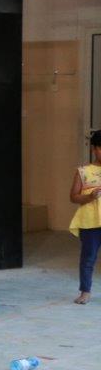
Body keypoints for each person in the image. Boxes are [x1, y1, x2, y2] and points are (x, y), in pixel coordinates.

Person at [69, 130, 101, 304]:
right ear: (94, 149)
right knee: (88, 258)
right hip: (90, 223)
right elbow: (73, 197)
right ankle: (85, 292)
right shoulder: (83, 171)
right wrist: (89, 197)